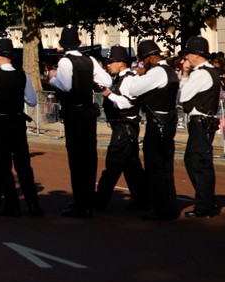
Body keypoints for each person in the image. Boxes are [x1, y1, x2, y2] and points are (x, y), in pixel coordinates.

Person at [0, 38, 44, 217]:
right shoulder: (22, 75)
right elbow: (32, 101)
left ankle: (12, 204)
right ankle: (33, 204)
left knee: (3, 166)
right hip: (18, 124)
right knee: (24, 166)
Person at [47, 24, 111, 218]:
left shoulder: (65, 62)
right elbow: (106, 81)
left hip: (74, 113)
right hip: (89, 113)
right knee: (89, 157)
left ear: (63, 44)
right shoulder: (89, 59)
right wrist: (91, 84)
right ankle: (88, 200)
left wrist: (52, 78)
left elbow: (65, 86)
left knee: (76, 158)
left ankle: (80, 202)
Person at [119, 39, 180, 221]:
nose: (142, 63)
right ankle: (167, 205)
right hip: (167, 121)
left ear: (151, 58)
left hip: (157, 123)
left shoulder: (157, 72)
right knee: (165, 167)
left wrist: (139, 76)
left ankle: (162, 208)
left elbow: (133, 89)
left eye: (143, 60)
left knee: (155, 167)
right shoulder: (169, 70)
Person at [96, 46, 148, 210]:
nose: (108, 65)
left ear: (121, 63)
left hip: (124, 127)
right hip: (123, 126)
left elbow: (126, 103)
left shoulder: (129, 79)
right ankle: (143, 200)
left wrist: (108, 94)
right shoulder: (120, 78)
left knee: (112, 164)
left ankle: (99, 201)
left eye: (111, 62)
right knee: (132, 167)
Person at [179, 36, 222, 218]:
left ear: (196, 55)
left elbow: (182, 96)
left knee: (198, 163)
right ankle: (207, 199)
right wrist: (186, 74)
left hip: (200, 122)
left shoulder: (201, 73)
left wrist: (185, 75)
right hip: (203, 122)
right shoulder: (207, 71)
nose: (185, 58)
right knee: (194, 160)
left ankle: (204, 204)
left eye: (188, 54)